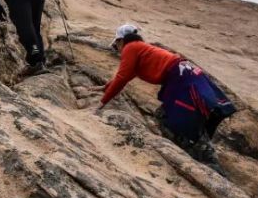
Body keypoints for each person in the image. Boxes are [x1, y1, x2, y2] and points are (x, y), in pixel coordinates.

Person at [96, 24, 236, 171]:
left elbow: (122, 77)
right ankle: (200, 153)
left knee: (173, 118)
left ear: (120, 40)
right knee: (178, 116)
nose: (117, 50)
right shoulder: (141, 48)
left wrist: (102, 102)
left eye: (116, 45)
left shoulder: (130, 48)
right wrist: (105, 88)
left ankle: (206, 161)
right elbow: (126, 75)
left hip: (180, 79)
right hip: (186, 75)